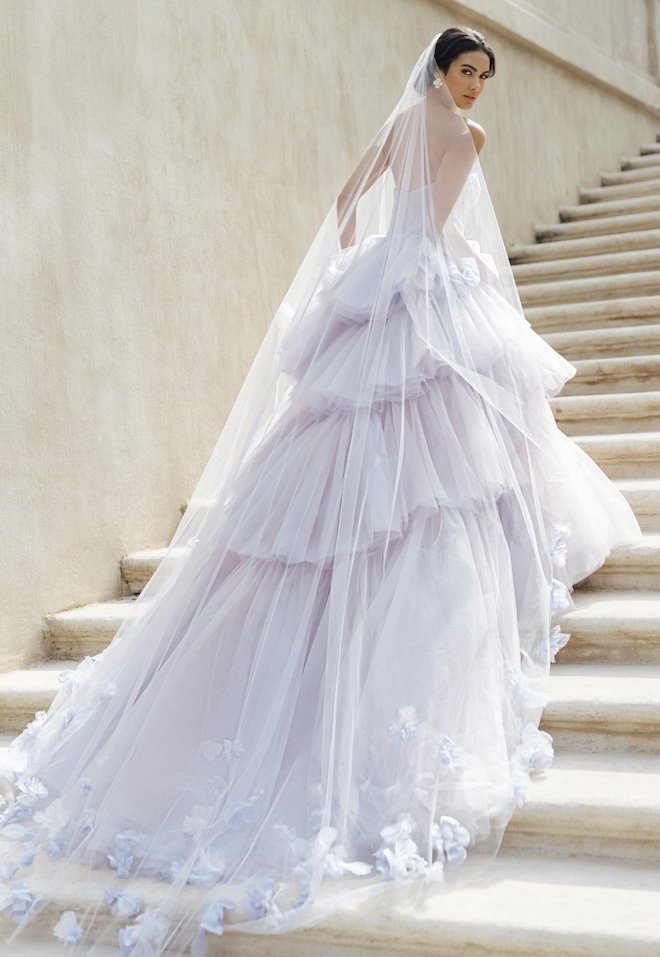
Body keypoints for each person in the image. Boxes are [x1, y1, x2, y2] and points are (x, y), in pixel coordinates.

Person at [0, 26, 644, 956]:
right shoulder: (465, 140)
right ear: (444, 70)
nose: (473, 90)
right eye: (468, 73)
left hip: (378, 285)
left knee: (382, 459)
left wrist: (355, 263)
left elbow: (350, 206)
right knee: (450, 458)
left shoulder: (399, 124)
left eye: (481, 79)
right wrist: (445, 275)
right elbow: (453, 237)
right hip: (420, 289)